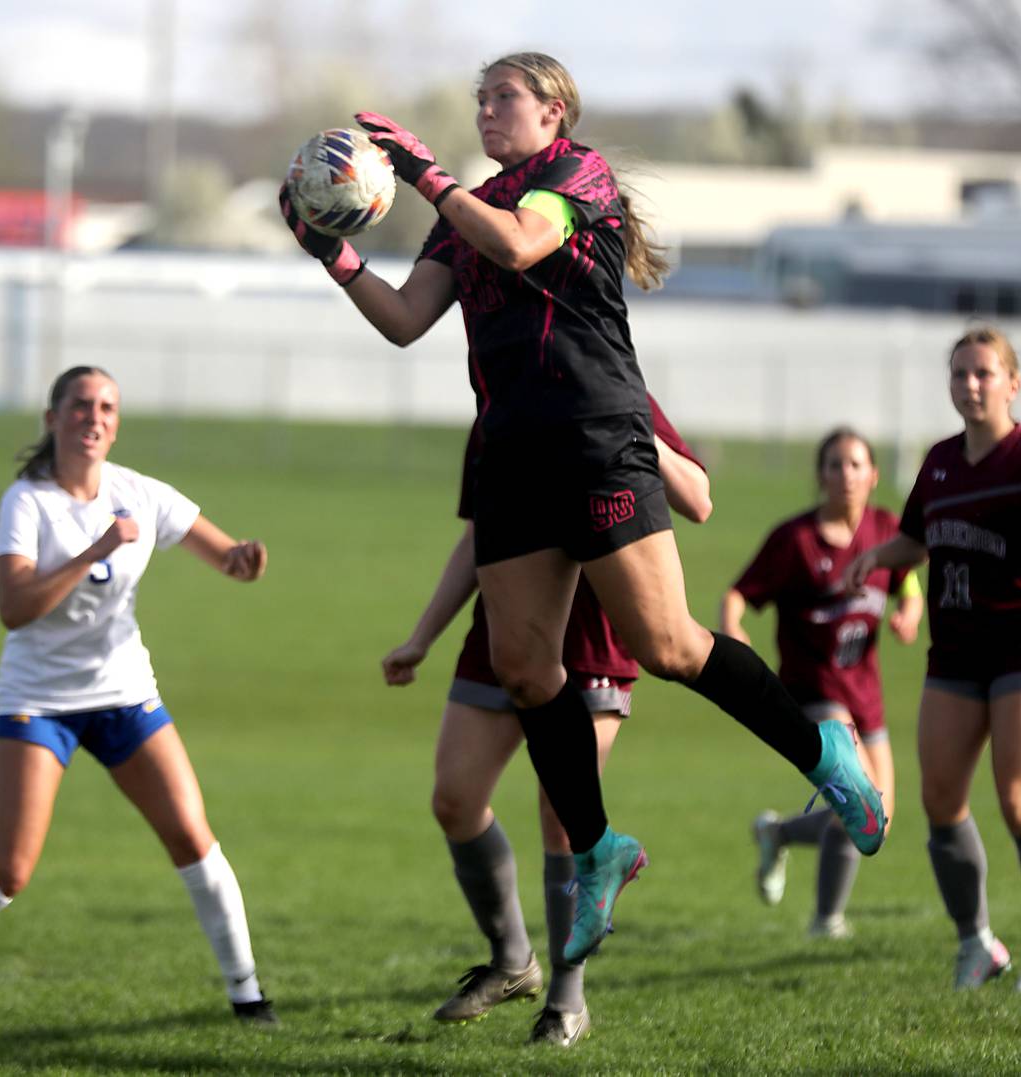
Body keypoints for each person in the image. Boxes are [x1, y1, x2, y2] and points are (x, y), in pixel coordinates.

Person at [280, 49, 887, 968]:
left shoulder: (575, 175)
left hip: (597, 436)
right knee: (526, 668)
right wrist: (335, 252)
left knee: (670, 644)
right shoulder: (467, 212)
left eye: (505, 98)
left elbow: (521, 243)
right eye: (480, 99)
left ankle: (825, 754)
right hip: (513, 455)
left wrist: (424, 173)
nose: (487, 110)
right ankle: (601, 847)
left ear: (554, 112)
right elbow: (406, 318)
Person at [0, 367, 278, 1028]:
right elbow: (14, 608)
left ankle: (249, 999)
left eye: (106, 407)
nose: (94, 417)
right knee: (8, 871)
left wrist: (242, 559)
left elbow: (222, 554)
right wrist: (95, 547)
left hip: (125, 696)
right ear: (52, 419)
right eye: (80, 406)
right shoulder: (30, 501)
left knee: (193, 836)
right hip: (38, 701)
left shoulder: (140, 492)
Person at [382, 396, 710, 1048]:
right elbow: (479, 535)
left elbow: (698, 500)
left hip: (591, 642)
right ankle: (512, 960)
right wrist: (422, 635)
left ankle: (567, 997)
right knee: (454, 798)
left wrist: (638, 430)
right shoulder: (498, 405)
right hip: (504, 633)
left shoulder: (618, 391)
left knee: (564, 817)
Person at [844, 327, 1021, 992]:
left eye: (985, 373)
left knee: (1018, 800)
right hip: (956, 653)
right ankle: (976, 942)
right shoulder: (938, 462)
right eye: (960, 374)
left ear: (1013, 383)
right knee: (939, 799)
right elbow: (917, 540)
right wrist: (878, 557)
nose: (971, 385)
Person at [720, 429, 923, 939]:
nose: (845, 474)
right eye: (834, 464)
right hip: (813, 692)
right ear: (820, 475)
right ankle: (827, 920)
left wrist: (910, 616)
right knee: (858, 798)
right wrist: (733, 628)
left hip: (866, 695)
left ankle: (778, 832)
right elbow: (739, 593)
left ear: (874, 475)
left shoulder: (885, 529)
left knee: (877, 820)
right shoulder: (795, 540)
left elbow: (908, 584)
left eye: (855, 464)